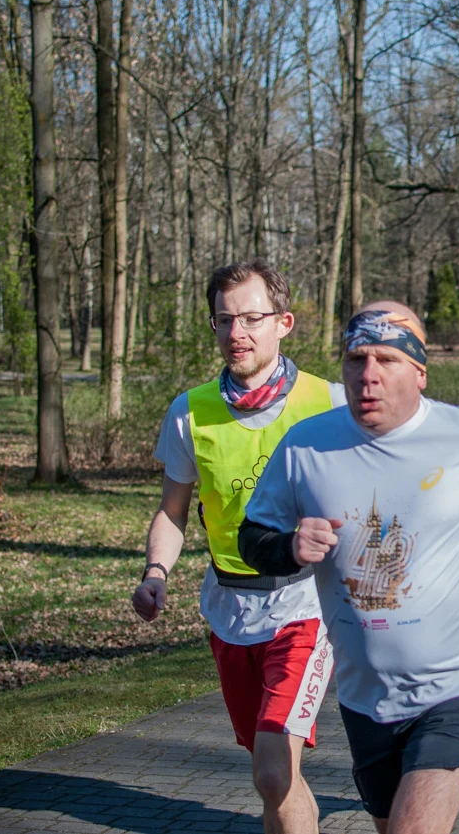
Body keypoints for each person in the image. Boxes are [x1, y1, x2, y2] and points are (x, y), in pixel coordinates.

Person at [237, 301, 459, 834]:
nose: (368, 375)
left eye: (386, 359)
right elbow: (252, 538)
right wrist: (291, 546)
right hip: (367, 696)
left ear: (420, 373)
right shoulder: (306, 445)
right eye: (356, 359)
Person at [130, 260, 346, 834]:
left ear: (284, 322)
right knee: (273, 773)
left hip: (305, 606)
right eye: (224, 321)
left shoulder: (330, 402)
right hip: (230, 609)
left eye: (251, 318)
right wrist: (157, 572)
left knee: (274, 770)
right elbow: (173, 511)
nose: (237, 334)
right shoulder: (190, 411)